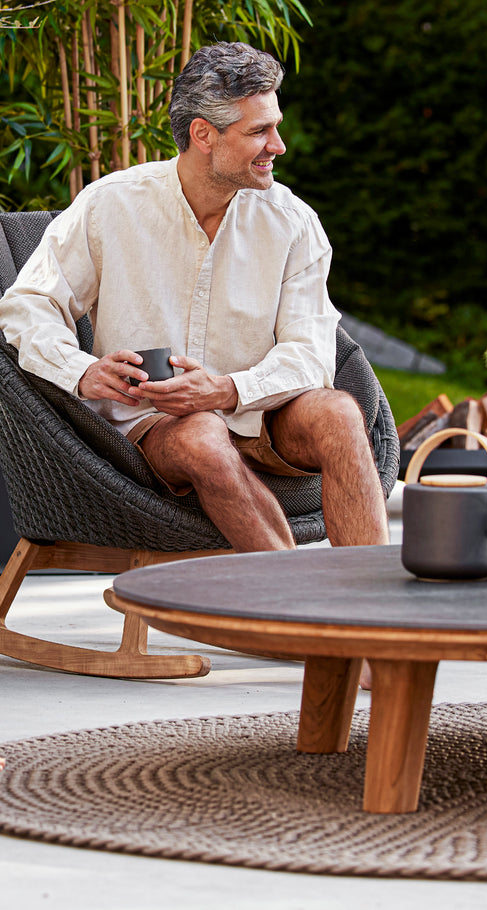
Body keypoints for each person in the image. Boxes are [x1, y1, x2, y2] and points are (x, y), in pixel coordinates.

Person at [0, 42, 389, 556]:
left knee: (338, 412)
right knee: (203, 433)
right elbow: (26, 305)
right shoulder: (111, 204)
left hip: (261, 413)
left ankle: (373, 603)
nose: (279, 145)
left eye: (275, 125)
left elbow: (312, 355)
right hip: (154, 428)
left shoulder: (293, 223)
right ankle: (298, 606)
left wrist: (228, 389)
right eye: (258, 131)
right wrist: (80, 370)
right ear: (204, 134)